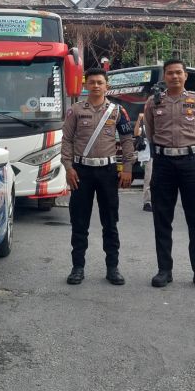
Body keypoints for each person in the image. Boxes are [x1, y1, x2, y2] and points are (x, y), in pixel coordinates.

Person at [144, 58, 195, 291]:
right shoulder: (153, 102)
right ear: (164, 76)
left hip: (191, 163)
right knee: (162, 219)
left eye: (178, 73)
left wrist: (191, 150)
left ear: (186, 76)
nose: (174, 76)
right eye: (169, 73)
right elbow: (150, 132)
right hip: (163, 163)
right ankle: (164, 270)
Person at [61, 67, 135, 286]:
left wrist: (128, 167)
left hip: (108, 172)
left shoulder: (117, 111)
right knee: (79, 221)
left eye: (99, 82)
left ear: (106, 86)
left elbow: (128, 138)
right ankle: (77, 268)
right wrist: (68, 167)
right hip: (81, 172)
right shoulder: (75, 110)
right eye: (91, 82)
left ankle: (113, 268)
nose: (95, 86)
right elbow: (67, 140)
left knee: (110, 222)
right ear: (85, 85)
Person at [134, 113, 153, 212]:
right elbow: (136, 133)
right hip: (149, 156)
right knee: (149, 179)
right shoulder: (144, 127)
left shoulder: (157, 125)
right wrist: (138, 119)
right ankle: (147, 202)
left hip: (159, 155)